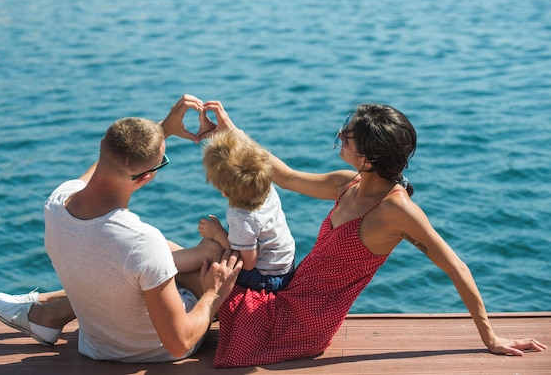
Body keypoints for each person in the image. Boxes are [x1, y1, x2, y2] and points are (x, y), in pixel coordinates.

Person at [199, 100, 547, 368]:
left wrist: (490, 337)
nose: (340, 137)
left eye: (346, 136)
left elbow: (456, 267)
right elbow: (286, 176)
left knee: (182, 269)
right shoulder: (348, 183)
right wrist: (230, 131)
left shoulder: (396, 210)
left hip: (300, 323)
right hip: (288, 296)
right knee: (191, 259)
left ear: (368, 157)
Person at [0, 95, 243, 363]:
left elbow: (105, 165)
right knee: (207, 259)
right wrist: (214, 293)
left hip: (98, 344)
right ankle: (47, 313)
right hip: (154, 350)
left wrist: (163, 128)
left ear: (102, 147)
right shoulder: (141, 242)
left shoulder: (57, 202)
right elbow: (179, 344)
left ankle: (47, 313)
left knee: (152, 259)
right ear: (146, 177)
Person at [196, 129, 295, 293]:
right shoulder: (264, 187)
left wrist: (218, 233)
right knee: (211, 246)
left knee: (212, 252)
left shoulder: (241, 217)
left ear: (224, 192)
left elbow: (248, 263)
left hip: (267, 279)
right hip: (284, 264)